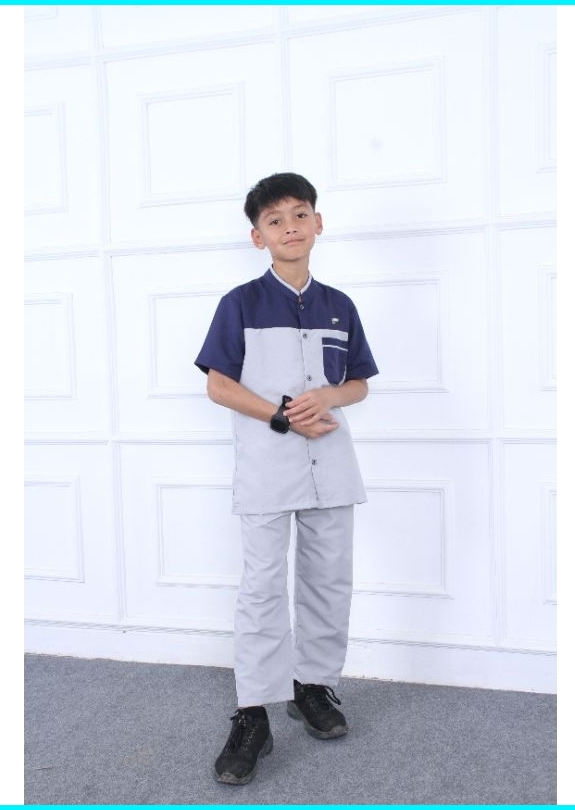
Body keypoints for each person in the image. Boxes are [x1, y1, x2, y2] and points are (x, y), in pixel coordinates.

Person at [194, 172, 379, 785]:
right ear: (258, 236)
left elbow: (358, 383)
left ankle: (314, 687)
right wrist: (281, 414)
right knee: (263, 588)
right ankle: (253, 713)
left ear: (318, 223)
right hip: (268, 466)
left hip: (333, 463)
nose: (290, 227)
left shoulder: (340, 305)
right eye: (274, 220)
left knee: (329, 581)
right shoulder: (240, 304)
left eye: (300, 215)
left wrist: (328, 395)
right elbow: (219, 385)